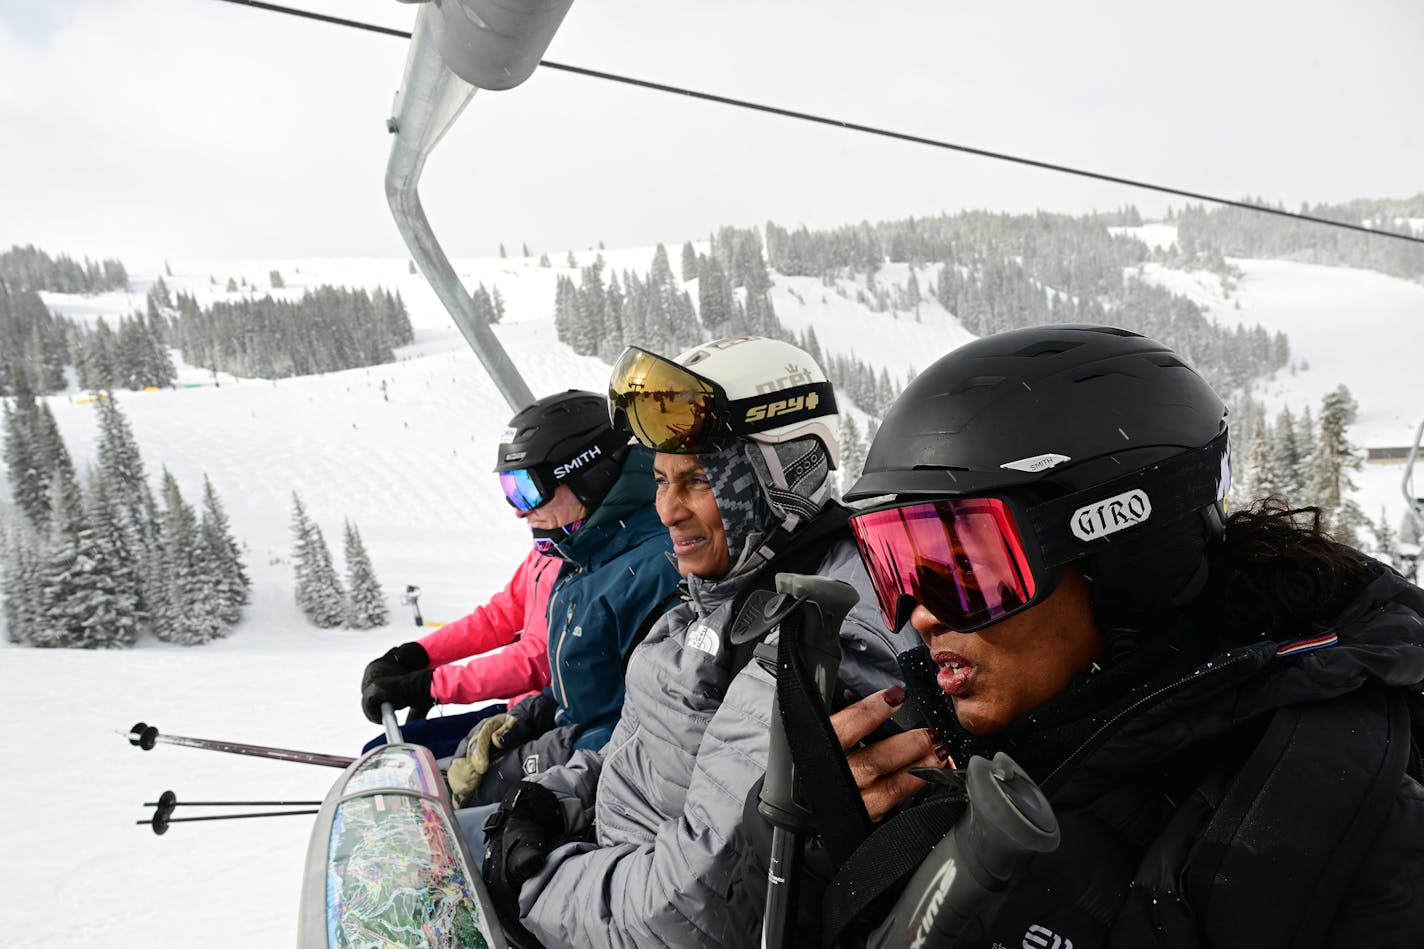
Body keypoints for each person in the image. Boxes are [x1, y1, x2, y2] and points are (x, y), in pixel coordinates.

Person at [827, 324, 1424, 947]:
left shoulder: (1334, 832)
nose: (920, 614)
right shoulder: (926, 766)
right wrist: (830, 867)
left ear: (1127, 558)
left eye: (966, 570)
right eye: (895, 566)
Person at [481, 336, 909, 948]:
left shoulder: (816, 627)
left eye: (698, 481)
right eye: (660, 479)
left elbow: (689, 909)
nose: (667, 509)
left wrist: (531, 886)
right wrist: (549, 800)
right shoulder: (719, 590)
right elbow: (644, 753)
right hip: (601, 890)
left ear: (782, 473)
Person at [360, 389, 682, 768]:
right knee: (384, 753)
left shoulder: (594, 552)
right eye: (511, 490)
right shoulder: (556, 544)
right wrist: (420, 655)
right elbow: (500, 615)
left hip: (563, 724)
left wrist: (432, 686)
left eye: (528, 490)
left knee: (404, 764)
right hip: (537, 711)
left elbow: (538, 659)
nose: (518, 511)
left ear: (586, 475)